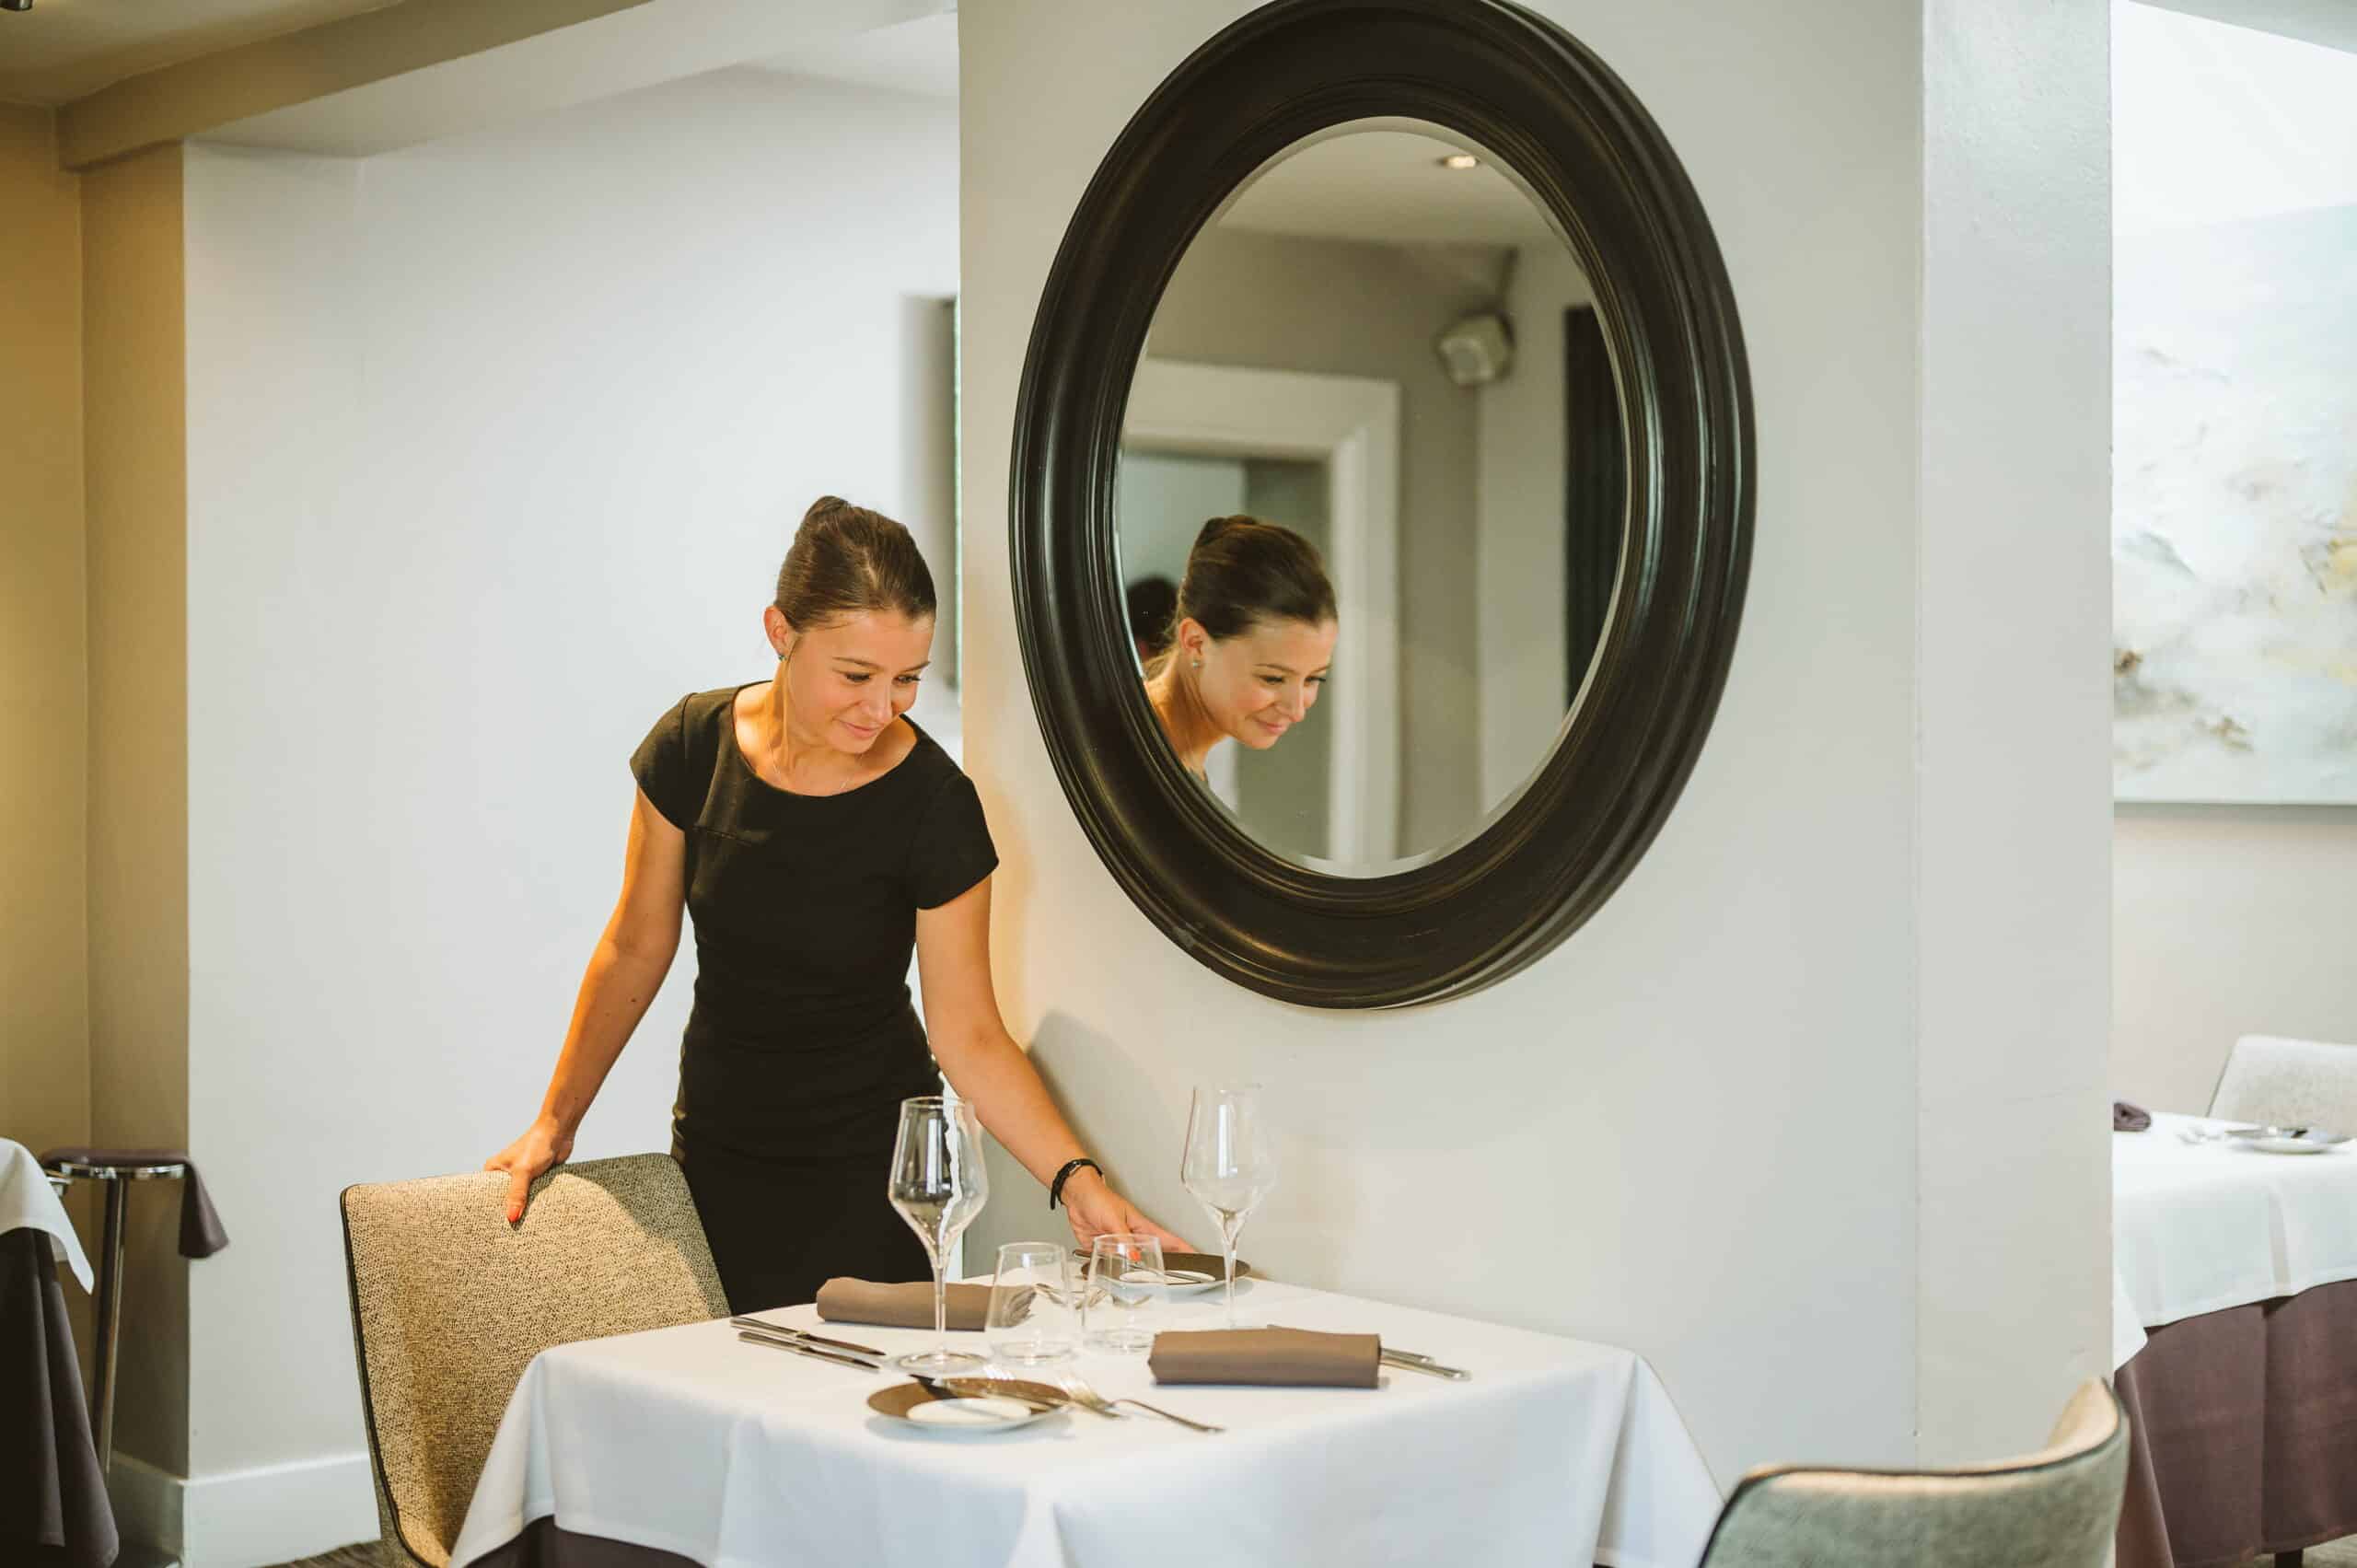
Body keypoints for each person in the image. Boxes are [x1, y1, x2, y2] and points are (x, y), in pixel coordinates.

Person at [487, 496, 1184, 1312]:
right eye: (856, 675)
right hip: (717, 1155)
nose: (881, 706)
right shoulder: (692, 748)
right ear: (782, 632)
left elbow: (969, 1033)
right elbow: (636, 946)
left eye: (907, 680)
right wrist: (555, 1121)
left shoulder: (935, 805)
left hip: (874, 1180)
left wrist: (1077, 1180)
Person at [1144, 516, 1339, 783]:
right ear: (1196, 644)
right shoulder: (1142, 754)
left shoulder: (1176, 753)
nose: (1297, 711)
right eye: (1273, 678)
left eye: (1313, 679)